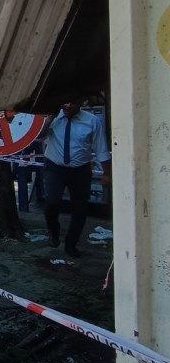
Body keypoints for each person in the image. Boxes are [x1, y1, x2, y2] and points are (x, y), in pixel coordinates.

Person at [42, 100, 111, 257]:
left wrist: (107, 173)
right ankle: (53, 232)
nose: (67, 106)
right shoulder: (53, 118)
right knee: (51, 202)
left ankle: (71, 244)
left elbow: (101, 148)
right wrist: (49, 120)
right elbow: (38, 138)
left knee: (79, 208)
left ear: (81, 104)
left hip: (81, 169)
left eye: (72, 104)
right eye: (65, 103)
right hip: (55, 166)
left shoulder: (92, 121)